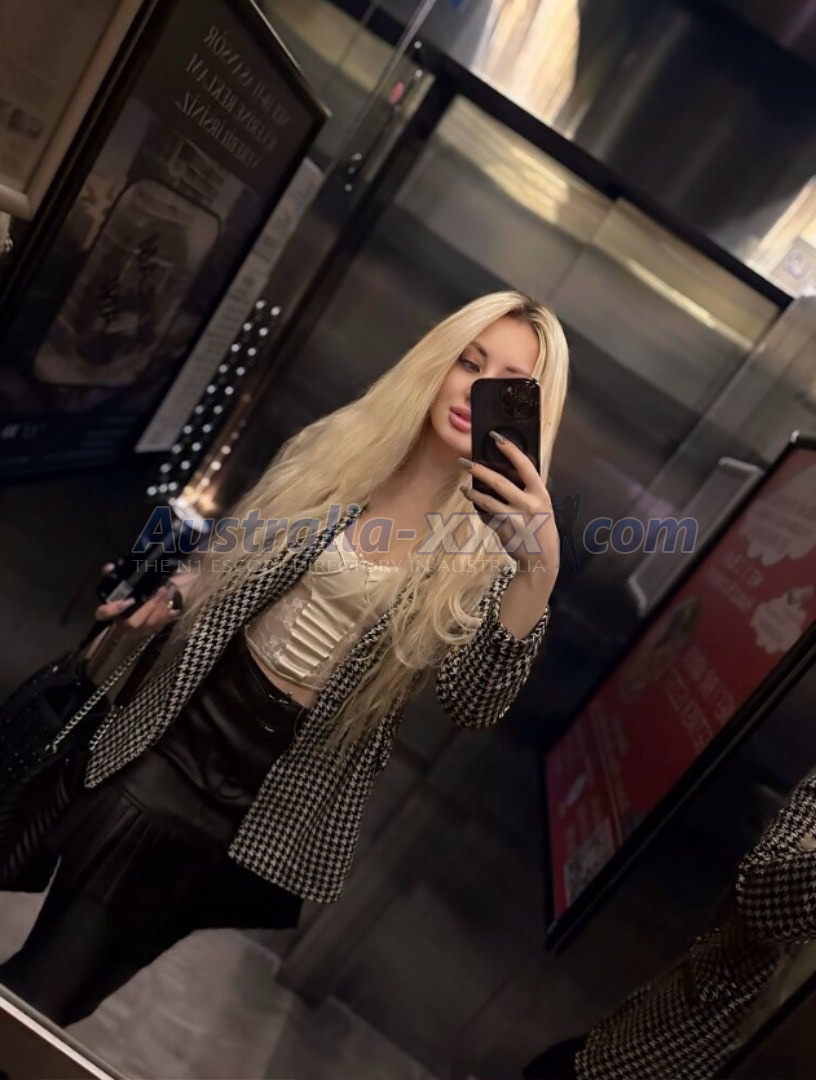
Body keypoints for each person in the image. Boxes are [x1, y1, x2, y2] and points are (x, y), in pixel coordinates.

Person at [0, 291, 568, 1027]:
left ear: (530, 412)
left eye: (507, 385)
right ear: (436, 363)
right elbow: (237, 551)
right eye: (468, 362)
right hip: (180, 736)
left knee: (84, 986)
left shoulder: (494, 553)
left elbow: (474, 703)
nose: (474, 390)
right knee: (46, 986)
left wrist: (536, 574)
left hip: (274, 802)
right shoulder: (344, 447)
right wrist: (177, 587)